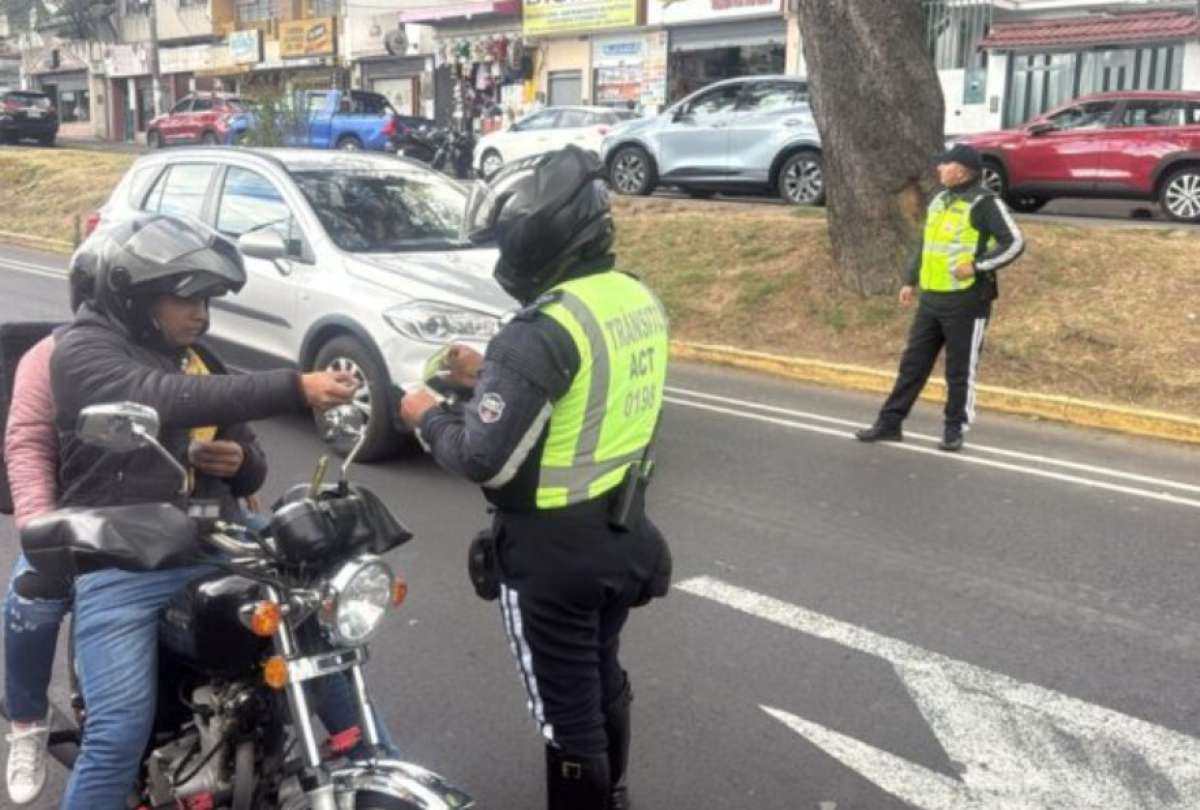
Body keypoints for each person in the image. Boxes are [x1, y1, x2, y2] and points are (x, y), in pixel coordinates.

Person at [47, 214, 362, 809]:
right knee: (117, 734)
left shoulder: (196, 356)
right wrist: (295, 387)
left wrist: (238, 459)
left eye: (208, 300)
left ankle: (366, 756)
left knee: (320, 633)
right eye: (185, 298)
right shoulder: (83, 351)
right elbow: (159, 398)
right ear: (135, 296)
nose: (201, 314)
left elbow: (255, 464)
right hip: (124, 558)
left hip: (216, 539)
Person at [400, 146, 672, 810]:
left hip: (552, 553)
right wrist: (490, 375)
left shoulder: (538, 330)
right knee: (602, 676)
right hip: (623, 525)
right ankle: (617, 795)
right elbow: (586, 389)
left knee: (564, 719)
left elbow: (480, 457)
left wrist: (426, 414)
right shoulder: (634, 296)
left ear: (534, 237)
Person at [856, 144, 1025, 452]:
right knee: (912, 365)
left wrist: (976, 265)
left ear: (961, 170)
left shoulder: (984, 203)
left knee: (959, 370)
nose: (938, 168)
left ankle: (954, 429)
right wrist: (910, 279)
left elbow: (1014, 243)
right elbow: (926, 243)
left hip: (967, 301)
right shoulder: (939, 200)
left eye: (944, 164)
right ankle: (889, 423)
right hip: (932, 298)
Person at [3, 262, 98, 805]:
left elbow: (233, 428)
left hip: (171, 520)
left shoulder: (185, 354)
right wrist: (41, 527)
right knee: (30, 601)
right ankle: (26, 724)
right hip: (74, 518)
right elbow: (27, 442)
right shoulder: (50, 357)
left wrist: (242, 464)